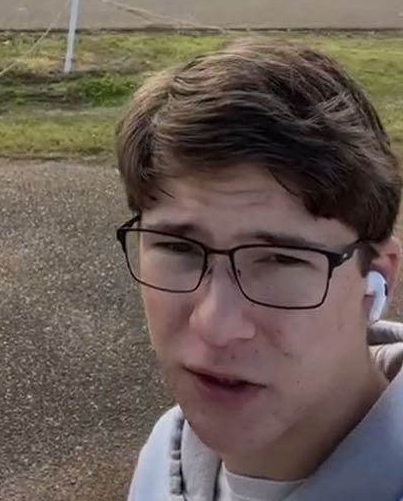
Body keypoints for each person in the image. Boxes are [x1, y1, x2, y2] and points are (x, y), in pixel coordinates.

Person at [121, 38, 403, 500]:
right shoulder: (164, 452)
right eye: (179, 247)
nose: (215, 325)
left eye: (280, 260)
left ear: (377, 281)